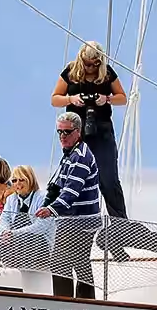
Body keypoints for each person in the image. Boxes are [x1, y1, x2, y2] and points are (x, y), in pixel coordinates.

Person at [8, 110, 102, 299]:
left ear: (78, 132)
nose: (62, 136)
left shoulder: (81, 157)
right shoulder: (69, 154)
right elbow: (57, 184)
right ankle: (83, 302)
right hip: (72, 220)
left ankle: (66, 302)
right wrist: (48, 203)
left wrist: (51, 209)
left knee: (61, 262)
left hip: (81, 222)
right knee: (78, 262)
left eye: (67, 132)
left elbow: (71, 191)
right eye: (59, 132)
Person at [52, 42, 129, 219]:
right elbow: (55, 99)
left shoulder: (107, 73)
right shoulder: (70, 72)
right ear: (81, 59)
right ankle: (70, 220)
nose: (91, 67)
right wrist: (71, 99)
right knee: (75, 177)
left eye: (95, 63)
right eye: (87, 63)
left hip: (102, 131)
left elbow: (122, 98)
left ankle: (120, 223)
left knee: (109, 180)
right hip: (75, 132)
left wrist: (107, 99)